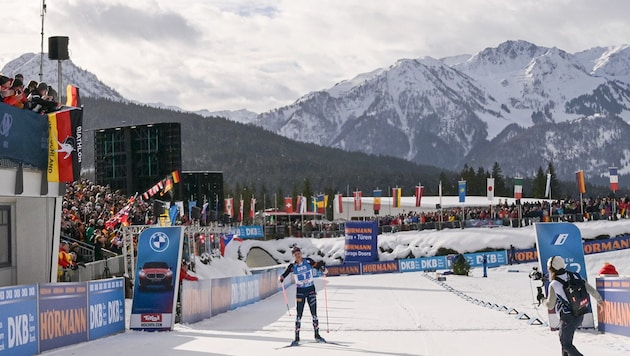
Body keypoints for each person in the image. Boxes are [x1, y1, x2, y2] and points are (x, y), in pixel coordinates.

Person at [538, 256, 603, 356]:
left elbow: (550, 305)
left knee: (566, 344)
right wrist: (599, 300)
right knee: (565, 344)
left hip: (567, 318)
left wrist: (541, 299)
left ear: (551, 268)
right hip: (580, 313)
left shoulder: (554, 284)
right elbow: (591, 290)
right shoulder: (576, 276)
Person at [279, 246, 327, 344]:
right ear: (293, 256)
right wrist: (281, 278)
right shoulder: (292, 266)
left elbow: (317, 266)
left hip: (310, 290)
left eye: (299, 253)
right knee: (299, 314)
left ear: (301, 253)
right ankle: (297, 337)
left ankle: (317, 335)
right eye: (295, 255)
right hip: (300, 291)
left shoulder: (308, 261)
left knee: (314, 313)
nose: (298, 256)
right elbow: (285, 274)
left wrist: (322, 269)